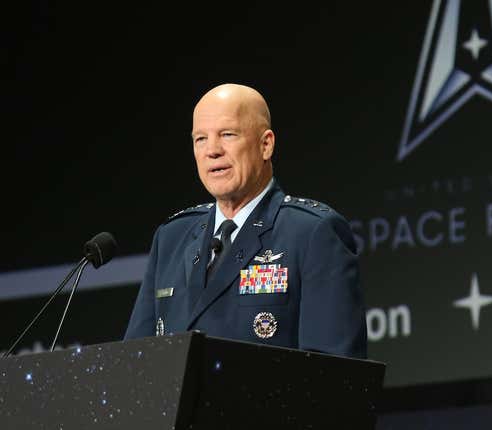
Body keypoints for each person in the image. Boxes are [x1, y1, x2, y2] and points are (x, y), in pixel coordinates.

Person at [124, 83, 367, 358]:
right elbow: (136, 361)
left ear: (266, 145)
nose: (211, 150)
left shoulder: (312, 232)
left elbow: (332, 372)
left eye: (227, 134)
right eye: (200, 138)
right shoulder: (172, 236)